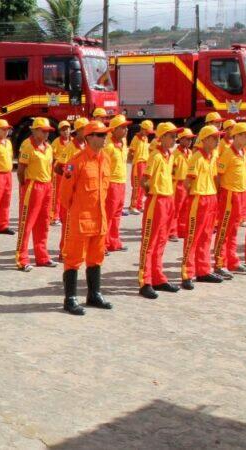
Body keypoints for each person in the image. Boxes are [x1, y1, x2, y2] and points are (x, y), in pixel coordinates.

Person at [59, 121, 114, 315]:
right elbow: (65, 195)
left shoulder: (106, 159)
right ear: (89, 137)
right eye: (100, 134)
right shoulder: (77, 161)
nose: (104, 137)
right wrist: (77, 211)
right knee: (73, 258)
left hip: (99, 219)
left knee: (96, 258)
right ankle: (70, 298)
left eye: (105, 134)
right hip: (81, 219)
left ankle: (94, 294)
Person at [139, 122, 182, 299]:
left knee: (161, 241)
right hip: (157, 200)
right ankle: (145, 281)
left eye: (175, 136)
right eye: (171, 136)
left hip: (167, 198)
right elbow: (144, 180)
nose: (174, 139)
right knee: (150, 242)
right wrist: (152, 194)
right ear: (162, 137)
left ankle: (158, 277)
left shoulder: (169, 155)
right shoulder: (156, 156)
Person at [181, 126, 225, 288]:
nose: (217, 141)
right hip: (198, 199)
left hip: (210, 197)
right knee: (193, 236)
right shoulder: (197, 157)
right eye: (214, 138)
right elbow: (187, 183)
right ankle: (187, 273)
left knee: (206, 236)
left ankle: (203, 270)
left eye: (218, 138)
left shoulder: (212, 156)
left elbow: (214, 177)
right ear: (205, 139)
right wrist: (194, 197)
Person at [15, 117, 57, 271]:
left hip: (47, 186)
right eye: (44, 131)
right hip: (33, 186)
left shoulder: (48, 147)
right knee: (27, 223)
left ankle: (42, 256)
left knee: (43, 223)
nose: (47, 134)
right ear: (35, 130)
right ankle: (22, 258)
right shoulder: (27, 146)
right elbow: (20, 171)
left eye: (48, 131)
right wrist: (25, 187)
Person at [213, 122, 246, 278]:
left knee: (234, 229)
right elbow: (219, 175)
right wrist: (220, 194)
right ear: (237, 136)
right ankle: (219, 263)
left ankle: (232, 261)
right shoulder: (228, 153)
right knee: (224, 229)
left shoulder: (243, 152)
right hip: (229, 194)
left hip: (240, 193)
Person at [54, 117, 89, 258]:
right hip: (71, 191)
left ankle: (78, 250)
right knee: (68, 222)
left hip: (83, 191)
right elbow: (59, 167)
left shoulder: (87, 145)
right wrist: (70, 179)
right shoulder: (70, 147)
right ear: (79, 131)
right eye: (85, 129)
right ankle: (64, 251)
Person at [104, 114, 131, 252]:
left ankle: (114, 242)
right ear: (113, 130)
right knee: (108, 215)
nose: (126, 130)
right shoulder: (108, 146)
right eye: (122, 128)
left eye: (126, 127)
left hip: (121, 182)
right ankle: (103, 243)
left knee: (117, 215)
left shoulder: (124, 142)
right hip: (111, 183)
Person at [170, 129, 195, 241]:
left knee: (185, 208)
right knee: (176, 208)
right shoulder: (175, 154)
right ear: (181, 139)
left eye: (191, 139)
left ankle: (182, 230)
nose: (190, 141)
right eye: (187, 139)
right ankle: (172, 231)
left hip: (187, 183)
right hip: (177, 183)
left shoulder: (190, 153)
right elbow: (171, 169)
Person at [128, 120, 155, 215]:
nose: (148, 133)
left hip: (145, 163)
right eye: (147, 131)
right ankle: (132, 206)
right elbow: (131, 152)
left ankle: (139, 205)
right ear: (142, 129)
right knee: (136, 186)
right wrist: (131, 162)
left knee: (143, 186)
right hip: (138, 164)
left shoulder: (146, 138)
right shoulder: (136, 138)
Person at [50, 120, 71, 225]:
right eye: (63, 129)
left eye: (67, 129)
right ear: (59, 131)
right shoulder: (56, 142)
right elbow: (51, 157)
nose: (65, 131)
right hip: (58, 170)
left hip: (69, 170)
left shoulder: (72, 142)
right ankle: (54, 216)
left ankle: (63, 215)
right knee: (56, 194)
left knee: (66, 193)